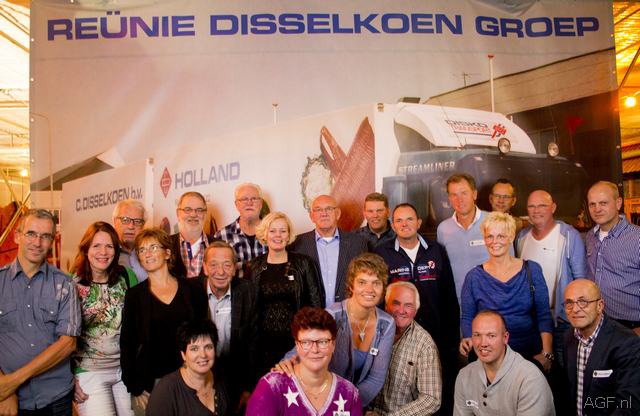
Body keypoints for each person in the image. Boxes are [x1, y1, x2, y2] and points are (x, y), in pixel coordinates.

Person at [374, 203, 458, 415]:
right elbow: (378, 298)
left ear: (419, 223)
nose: (404, 224)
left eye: (409, 219)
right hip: (397, 335)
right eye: (399, 220)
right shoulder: (382, 253)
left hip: (435, 333)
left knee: (436, 390)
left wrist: (452, 339)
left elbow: (449, 295)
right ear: (393, 225)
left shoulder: (436, 250)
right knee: (400, 387)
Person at [0, 209, 81, 414]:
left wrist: (12, 382)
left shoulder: (65, 284)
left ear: (52, 241)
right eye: (31, 234)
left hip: (55, 399)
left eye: (45, 236)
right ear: (17, 236)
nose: (37, 243)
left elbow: (68, 344)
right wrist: (5, 390)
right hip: (9, 402)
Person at [120, 228, 208, 413]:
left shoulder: (193, 289)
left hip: (191, 378)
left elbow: (204, 335)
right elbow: (127, 344)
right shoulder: (134, 296)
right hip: (151, 384)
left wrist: (204, 378)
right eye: (142, 250)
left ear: (167, 253)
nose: (147, 254)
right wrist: (135, 388)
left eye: (153, 247)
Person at [460, 212, 554, 372]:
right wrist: (468, 339)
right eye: (490, 236)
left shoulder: (532, 270)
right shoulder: (473, 277)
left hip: (528, 355)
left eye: (501, 236)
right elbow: (468, 317)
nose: (494, 241)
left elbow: (543, 315)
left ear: (511, 237)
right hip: (489, 357)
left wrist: (547, 354)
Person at [70, 222, 138, 416]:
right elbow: (61, 336)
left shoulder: (126, 277)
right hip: (89, 372)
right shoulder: (72, 284)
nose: (103, 252)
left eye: (109, 246)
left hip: (125, 371)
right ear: (86, 249)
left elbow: (137, 324)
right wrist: (69, 379)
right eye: (96, 246)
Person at [516, 190, 587, 366]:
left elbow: (581, 281)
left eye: (542, 205)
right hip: (531, 321)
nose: (536, 210)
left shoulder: (568, 235)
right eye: (531, 206)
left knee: (564, 371)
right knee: (535, 371)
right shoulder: (522, 237)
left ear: (553, 207)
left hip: (562, 321)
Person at [248, 307, 362, 415]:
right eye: (306, 342)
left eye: (322, 342)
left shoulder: (350, 394)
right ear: (297, 346)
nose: (315, 350)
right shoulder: (272, 386)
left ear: (333, 345)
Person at [249, 212, 323, 379]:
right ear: (265, 234)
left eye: (283, 231)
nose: (278, 235)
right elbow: (249, 309)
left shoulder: (304, 263)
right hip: (263, 345)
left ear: (289, 235)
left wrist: (309, 339)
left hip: (296, 342)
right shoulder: (254, 266)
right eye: (272, 231)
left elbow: (316, 304)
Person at [453, 310, 555, 416]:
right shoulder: (464, 376)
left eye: (491, 335)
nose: (483, 343)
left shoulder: (530, 379)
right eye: (477, 335)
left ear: (505, 338)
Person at [563, 279, 640, 416]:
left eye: (583, 302)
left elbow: (629, 404)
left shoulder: (627, 343)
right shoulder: (569, 337)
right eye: (569, 303)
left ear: (600, 306)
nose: (575, 309)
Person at [368, 281, 442, 416]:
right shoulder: (369, 330)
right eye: (396, 303)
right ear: (386, 305)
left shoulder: (425, 345)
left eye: (408, 305)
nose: (401, 310)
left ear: (415, 311)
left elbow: (431, 399)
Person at [201, 241, 257, 413]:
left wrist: (248, 388)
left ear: (234, 269)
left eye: (227, 265)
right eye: (213, 265)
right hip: (200, 377)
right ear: (204, 268)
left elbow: (253, 344)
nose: (220, 272)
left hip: (235, 376)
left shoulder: (248, 291)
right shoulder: (191, 291)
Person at [290, 195, 368, 308]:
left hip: (348, 312)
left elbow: (365, 280)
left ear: (338, 214)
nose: (324, 213)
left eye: (329, 209)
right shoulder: (297, 244)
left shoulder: (357, 243)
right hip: (311, 314)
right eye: (318, 210)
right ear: (312, 216)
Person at [585, 181, 640, 334]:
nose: (597, 209)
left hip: (631, 326)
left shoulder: (637, 238)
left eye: (603, 203)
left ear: (618, 203)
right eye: (592, 204)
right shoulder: (590, 237)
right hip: (599, 322)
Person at [146, 319, 230, 416]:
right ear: (183, 355)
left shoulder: (223, 380)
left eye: (208, 347)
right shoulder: (165, 392)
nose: (203, 355)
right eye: (194, 349)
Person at [436, 173, 490, 303]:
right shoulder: (443, 229)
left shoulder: (492, 221)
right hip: (458, 303)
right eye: (454, 195)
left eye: (464, 193)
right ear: (449, 198)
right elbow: (442, 270)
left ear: (474, 194)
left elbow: (509, 264)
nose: (459, 199)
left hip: (491, 301)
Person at [214, 183, 268, 278]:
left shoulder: (273, 233)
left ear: (261, 203)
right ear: (236, 205)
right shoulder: (221, 236)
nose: (249, 203)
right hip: (236, 287)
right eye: (244, 199)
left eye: (254, 198)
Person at [170, 192, 214, 279]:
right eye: (187, 209)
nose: (193, 214)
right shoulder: (165, 245)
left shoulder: (219, 246)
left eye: (199, 210)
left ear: (205, 214)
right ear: (178, 214)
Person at [112, 199, 147, 282]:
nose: (131, 226)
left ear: (143, 226)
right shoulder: (105, 254)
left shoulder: (150, 253)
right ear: (114, 222)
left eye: (137, 221)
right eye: (125, 220)